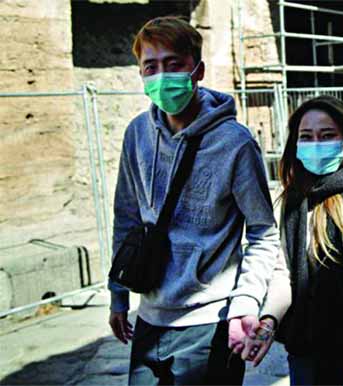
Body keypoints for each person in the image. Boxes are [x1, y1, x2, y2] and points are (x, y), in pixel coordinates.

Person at [107, 16, 280, 385]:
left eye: (174, 65)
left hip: (210, 324)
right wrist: (118, 293)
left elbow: (264, 233)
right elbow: (127, 217)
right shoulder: (137, 134)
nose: (161, 76)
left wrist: (246, 303)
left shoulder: (235, 143)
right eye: (150, 67)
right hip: (149, 317)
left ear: (197, 70)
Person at [240, 95, 343, 385]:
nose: (316, 143)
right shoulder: (292, 200)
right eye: (307, 136)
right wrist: (268, 322)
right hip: (305, 348)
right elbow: (285, 276)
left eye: (327, 135)